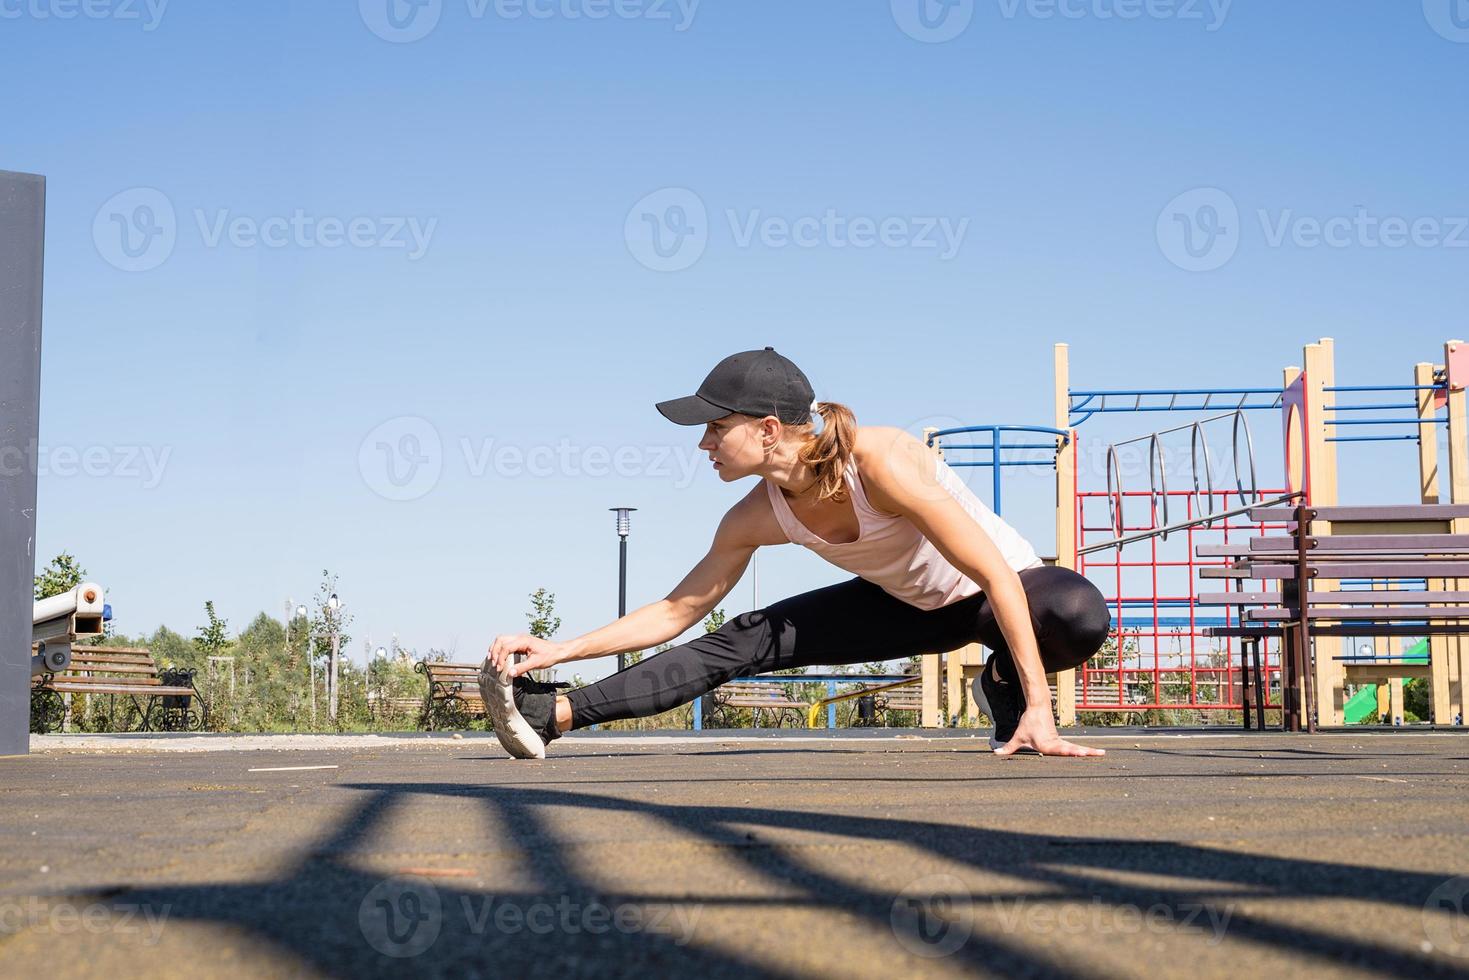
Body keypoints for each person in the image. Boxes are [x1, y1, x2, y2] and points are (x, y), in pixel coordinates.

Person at [480, 347, 1111, 760]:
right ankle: (555, 712)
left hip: (1001, 594)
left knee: (1080, 612)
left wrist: (1038, 706)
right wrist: (560, 650)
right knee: (743, 639)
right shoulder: (755, 514)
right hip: (903, 605)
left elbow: (994, 573)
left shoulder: (880, 462)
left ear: (768, 429)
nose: (704, 444)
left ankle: (1001, 684)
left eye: (715, 427)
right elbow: (676, 611)